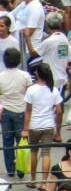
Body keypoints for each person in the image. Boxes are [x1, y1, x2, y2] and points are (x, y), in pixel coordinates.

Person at [24, 62, 61, 186]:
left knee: (33, 152)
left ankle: (33, 180)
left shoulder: (31, 90)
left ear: (37, 74)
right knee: (46, 153)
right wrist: (58, 130)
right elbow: (59, 111)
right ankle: (43, 183)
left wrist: (25, 128)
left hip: (34, 125)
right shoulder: (54, 90)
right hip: (48, 125)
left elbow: (28, 111)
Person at [0, 46, 30, 178]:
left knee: (7, 142)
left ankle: (10, 170)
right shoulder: (25, 76)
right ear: (18, 61)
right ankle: (21, 167)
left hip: (5, 112)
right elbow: (30, 94)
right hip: (21, 112)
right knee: (22, 141)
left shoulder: (1, 76)